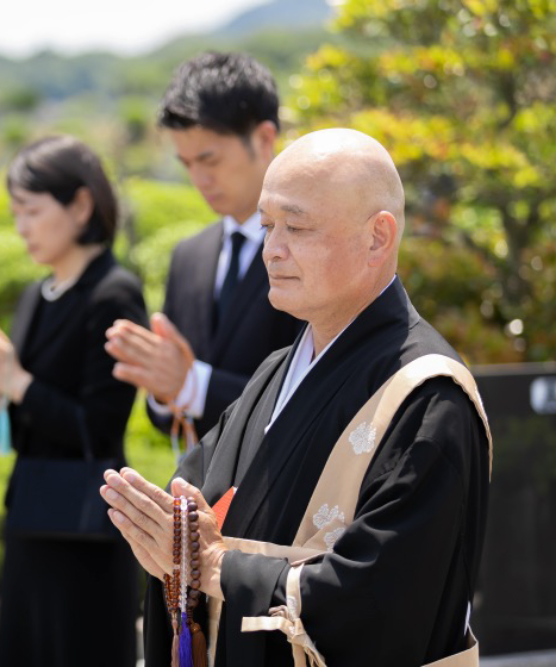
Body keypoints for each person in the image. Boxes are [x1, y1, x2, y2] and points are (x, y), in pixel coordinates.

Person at [100, 129, 491, 666]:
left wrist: (214, 564)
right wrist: (169, 534)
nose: (272, 250)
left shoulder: (427, 397)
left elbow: (383, 595)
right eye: (266, 226)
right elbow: (198, 505)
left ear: (378, 237)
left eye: (297, 227)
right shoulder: (274, 372)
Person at [0, 136, 147, 667]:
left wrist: (13, 380)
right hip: (32, 514)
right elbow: (18, 421)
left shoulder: (113, 293)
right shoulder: (39, 294)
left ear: (80, 205)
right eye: (16, 213)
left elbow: (97, 427)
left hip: (85, 526)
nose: (22, 227)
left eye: (32, 211)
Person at [106, 52, 300, 442]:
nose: (198, 178)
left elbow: (312, 399)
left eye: (209, 159)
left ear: (264, 139)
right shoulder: (189, 256)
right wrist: (166, 388)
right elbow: (170, 414)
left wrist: (191, 384)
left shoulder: (309, 246)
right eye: (187, 163)